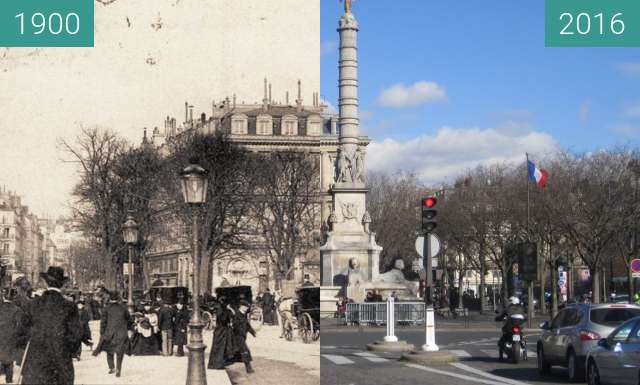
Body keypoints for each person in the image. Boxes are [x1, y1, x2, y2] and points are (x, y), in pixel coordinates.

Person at [21, 266, 83, 385]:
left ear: (46, 282)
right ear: (62, 285)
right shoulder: (69, 306)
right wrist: (66, 349)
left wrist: (34, 342)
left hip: (36, 363)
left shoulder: (33, 304)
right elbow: (76, 335)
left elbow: (22, 331)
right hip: (61, 363)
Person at [92, 291, 131, 377]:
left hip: (109, 333)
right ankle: (118, 369)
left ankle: (111, 367)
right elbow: (129, 319)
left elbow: (103, 322)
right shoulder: (123, 308)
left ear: (110, 298)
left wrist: (102, 333)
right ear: (118, 298)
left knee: (109, 351)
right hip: (121, 333)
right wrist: (128, 328)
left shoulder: (106, 308)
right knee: (120, 352)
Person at [0, 288, 26, 384]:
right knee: (9, 359)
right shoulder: (17, 310)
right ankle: (9, 379)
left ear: (3, 297)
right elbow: (20, 325)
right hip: (11, 337)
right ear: (14, 297)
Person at [494, 296, 526, 361]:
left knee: (503, 337)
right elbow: (525, 317)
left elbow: (501, 316)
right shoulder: (522, 308)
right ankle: (524, 352)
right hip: (519, 327)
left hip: (510, 327)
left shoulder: (508, 309)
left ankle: (501, 356)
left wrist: (497, 318)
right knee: (522, 338)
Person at [208, 296, 234, 369]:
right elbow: (223, 319)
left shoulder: (222, 309)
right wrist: (229, 310)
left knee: (221, 347)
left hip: (221, 330)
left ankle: (219, 364)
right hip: (221, 330)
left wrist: (229, 310)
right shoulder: (221, 309)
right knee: (219, 347)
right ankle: (216, 364)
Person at [232, 300, 257, 374]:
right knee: (245, 351)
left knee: (236, 351)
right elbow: (235, 326)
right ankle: (248, 368)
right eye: (245, 307)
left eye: (247, 307)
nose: (246, 308)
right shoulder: (237, 315)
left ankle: (223, 362)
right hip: (238, 336)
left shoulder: (243, 314)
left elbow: (247, 325)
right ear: (241, 306)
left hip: (242, 336)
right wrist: (240, 332)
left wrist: (253, 332)